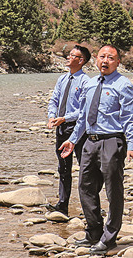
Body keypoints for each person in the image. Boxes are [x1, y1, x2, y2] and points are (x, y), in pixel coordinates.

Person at [60, 45, 133, 256]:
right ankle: (94, 231)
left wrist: (132, 146)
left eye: (110, 58)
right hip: (90, 141)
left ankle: (109, 238)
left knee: (113, 191)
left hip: (112, 141)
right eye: (102, 57)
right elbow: (83, 116)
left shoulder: (123, 85)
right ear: (96, 59)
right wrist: (72, 140)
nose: (105, 61)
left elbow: (129, 118)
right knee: (85, 187)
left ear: (118, 62)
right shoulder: (91, 83)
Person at [46, 44, 91, 216]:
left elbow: (84, 110)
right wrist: (52, 116)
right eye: (69, 54)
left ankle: (90, 207)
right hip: (61, 128)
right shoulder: (62, 79)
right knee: (63, 167)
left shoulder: (85, 81)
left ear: (81, 60)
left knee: (85, 168)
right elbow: (54, 100)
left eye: (72, 55)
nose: (68, 57)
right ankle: (62, 205)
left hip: (78, 129)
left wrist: (65, 117)